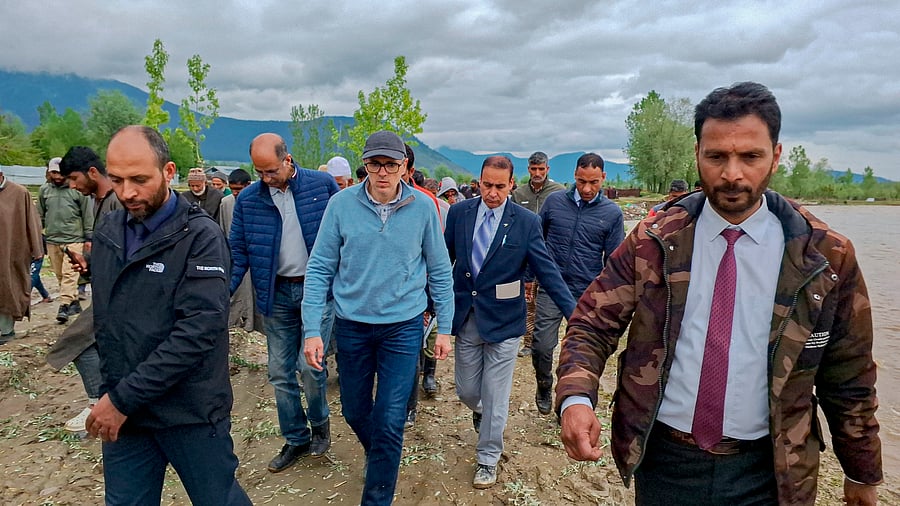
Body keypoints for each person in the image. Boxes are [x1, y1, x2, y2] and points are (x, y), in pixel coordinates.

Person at [556, 82, 882, 506]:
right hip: (665, 460)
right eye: (716, 156)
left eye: (750, 156)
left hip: (771, 471)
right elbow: (592, 323)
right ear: (697, 154)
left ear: (776, 156)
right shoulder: (653, 240)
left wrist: (861, 472)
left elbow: (850, 375)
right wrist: (576, 397)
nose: (732, 173)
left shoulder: (824, 257)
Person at [83, 125, 250, 505]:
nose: (127, 192)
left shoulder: (200, 238)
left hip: (188, 413)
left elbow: (196, 332)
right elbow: (111, 319)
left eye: (139, 179)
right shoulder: (110, 228)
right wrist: (114, 393)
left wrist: (121, 399)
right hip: (129, 419)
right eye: (118, 179)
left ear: (169, 172)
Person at [301, 130, 454, 506]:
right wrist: (311, 330)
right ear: (364, 165)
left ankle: (377, 495)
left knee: (390, 418)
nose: (383, 172)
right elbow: (320, 267)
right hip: (352, 324)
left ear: (405, 166)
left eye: (391, 164)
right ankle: (381, 453)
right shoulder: (340, 205)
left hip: (403, 327)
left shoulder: (423, 207)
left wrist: (445, 328)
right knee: (355, 410)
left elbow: (439, 270)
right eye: (375, 164)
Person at [444, 155, 576, 489]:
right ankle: (482, 411)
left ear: (511, 185)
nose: (492, 193)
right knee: (467, 390)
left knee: (497, 394)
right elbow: (443, 261)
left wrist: (575, 315)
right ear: (479, 181)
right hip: (468, 317)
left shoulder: (526, 222)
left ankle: (488, 457)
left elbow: (547, 271)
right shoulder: (459, 214)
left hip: (505, 322)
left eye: (499, 187)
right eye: (487, 185)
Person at [229, 133, 339, 472]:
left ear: (288, 160)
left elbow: (346, 232)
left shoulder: (323, 186)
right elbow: (238, 252)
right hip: (275, 293)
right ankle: (296, 438)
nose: (266, 178)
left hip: (316, 290)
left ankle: (320, 424)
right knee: (279, 372)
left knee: (310, 365)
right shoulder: (248, 201)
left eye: (271, 170)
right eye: (259, 172)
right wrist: (221, 294)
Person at [531, 153, 624, 415]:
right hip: (552, 285)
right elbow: (536, 242)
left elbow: (614, 260)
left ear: (603, 178)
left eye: (593, 182)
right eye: (582, 181)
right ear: (574, 175)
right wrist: (530, 277)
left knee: (580, 351)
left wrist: (608, 297)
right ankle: (544, 384)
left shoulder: (612, 214)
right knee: (541, 345)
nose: (586, 188)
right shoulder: (554, 202)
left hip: (586, 292)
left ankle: (569, 400)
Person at [47, 146, 123, 433]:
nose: (73, 185)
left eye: (75, 178)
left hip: (119, 296)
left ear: (93, 172)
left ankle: (98, 403)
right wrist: (89, 263)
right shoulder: (97, 201)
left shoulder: (117, 202)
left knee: (76, 341)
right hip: (105, 291)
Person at [512, 151, 566, 357]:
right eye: (533, 169)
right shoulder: (519, 194)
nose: (537, 173)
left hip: (547, 255)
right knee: (523, 300)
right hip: (522, 256)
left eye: (541, 169)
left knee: (541, 301)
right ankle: (524, 340)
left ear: (547, 169)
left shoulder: (558, 193)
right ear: (528, 169)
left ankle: (537, 342)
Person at [38, 156, 93, 323]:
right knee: (60, 275)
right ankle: (74, 302)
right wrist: (37, 235)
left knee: (70, 274)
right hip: (52, 239)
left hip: (74, 239)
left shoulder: (76, 189)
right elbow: (39, 215)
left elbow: (87, 214)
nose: (56, 176)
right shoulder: (44, 190)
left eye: (59, 172)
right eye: (53, 172)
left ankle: (63, 306)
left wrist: (89, 237)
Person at [0, 166, 44, 343]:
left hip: (12, 251)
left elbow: (32, 222)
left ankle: (6, 330)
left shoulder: (19, 193)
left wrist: (37, 248)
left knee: (10, 288)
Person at [218, 168, 258, 332]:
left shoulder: (259, 201)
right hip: (235, 256)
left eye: (238, 190)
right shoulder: (226, 203)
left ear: (248, 186)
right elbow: (222, 228)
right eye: (232, 189)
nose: (235, 193)